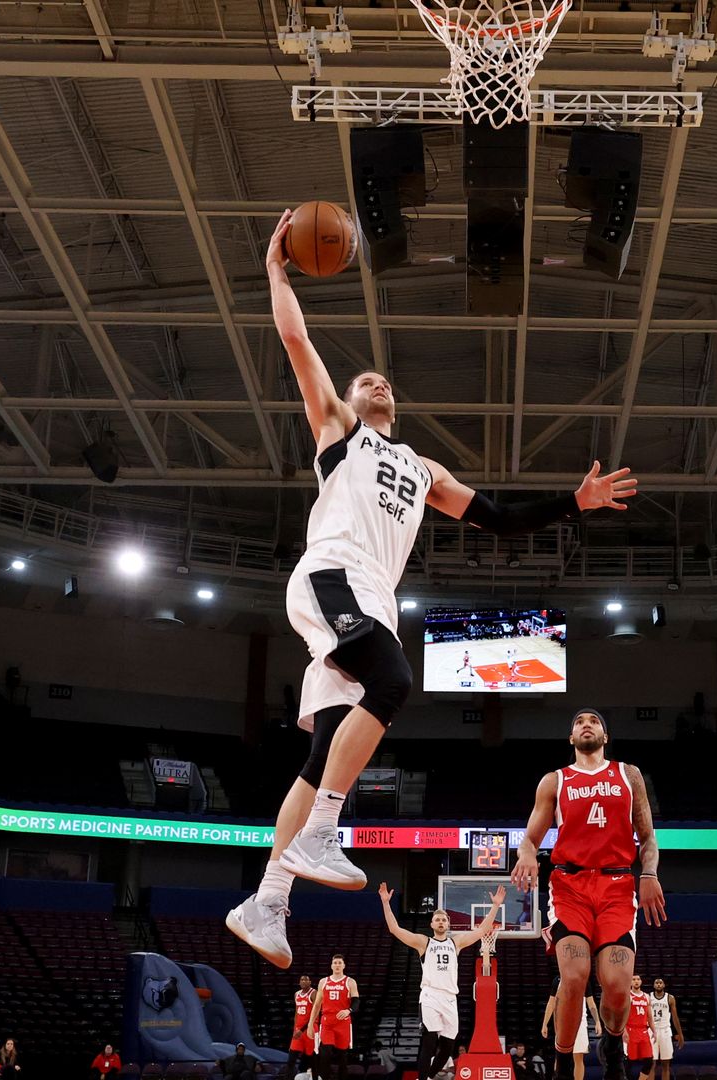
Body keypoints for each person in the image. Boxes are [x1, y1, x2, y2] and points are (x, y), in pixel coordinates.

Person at [228, 211, 639, 968]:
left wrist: (571, 505)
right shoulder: (339, 431)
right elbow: (297, 344)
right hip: (331, 574)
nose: (374, 381)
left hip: (368, 600)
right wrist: (277, 274)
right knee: (392, 680)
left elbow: (500, 520)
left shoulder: (422, 469)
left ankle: (266, 903)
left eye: (382, 380)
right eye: (363, 380)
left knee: (321, 757)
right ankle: (323, 830)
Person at [514, 708, 665, 1080]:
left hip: (616, 887)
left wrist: (649, 873)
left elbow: (647, 837)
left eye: (593, 722)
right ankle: (563, 1061)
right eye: (579, 723)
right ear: (571, 739)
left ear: (605, 736)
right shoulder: (556, 780)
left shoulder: (628, 775)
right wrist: (528, 856)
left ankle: (612, 1043)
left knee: (615, 985)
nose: (586, 725)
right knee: (576, 975)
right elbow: (530, 840)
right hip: (570, 886)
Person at [379, 882, 504, 1079]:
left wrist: (495, 906)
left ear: (448, 924)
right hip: (430, 995)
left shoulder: (456, 942)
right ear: (431, 924)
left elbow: (481, 932)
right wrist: (386, 902)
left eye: (443, 920)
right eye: (436, 920)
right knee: (429, 1042)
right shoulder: (423, 942)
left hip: (450, 998)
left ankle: (429, 1076)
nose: (440, 922)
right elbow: (395, 929)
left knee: (447, 1046)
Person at [305, 955, 360, 1080]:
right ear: (331, 966)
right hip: (327, 1021)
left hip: (343, 1022)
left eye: (340, 963)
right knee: (325, 1053)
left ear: (344, 965)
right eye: (335, 963)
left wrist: (348, 1010)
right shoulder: (323, 982)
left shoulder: (350, 982)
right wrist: (310, 1024)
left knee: (343, 1057)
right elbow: (317, 1004)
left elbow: (356, 1001)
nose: (337, 965)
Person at [541, 992, 597, 1080]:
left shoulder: (584, 981)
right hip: (563, 1023)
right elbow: (551, 1004)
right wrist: (545, 1024)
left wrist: (597, 1021)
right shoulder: (558, 981)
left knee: (578, 1057)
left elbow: (591, 1003)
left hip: (580, 1023)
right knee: (559, 1057)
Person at [647, 977, 681, 1080]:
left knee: (666, 1064)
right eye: (656, 982)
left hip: (665, 1030)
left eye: (660, 982)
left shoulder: (670, 998)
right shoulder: (648, 997)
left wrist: (680, 1033)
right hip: (652, 1031)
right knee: (651, 1064)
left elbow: (675, 1017)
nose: (658, 984)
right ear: (653, 985)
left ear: (664, 985)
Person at [624, 976, 653, 1080]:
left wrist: (654, 1031)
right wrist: (624, 1031)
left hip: (643, 1031)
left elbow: (649, 1016)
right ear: (630, 982)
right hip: (631, 1030)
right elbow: (623, 1015)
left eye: (638, 979)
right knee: (630, 1061)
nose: (636, 981)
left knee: (649, 1061)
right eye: (633, 979)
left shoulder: (646, 996)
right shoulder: (628, 996)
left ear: (641, 981)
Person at [290, 975, 317, 1080]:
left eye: (306, 979)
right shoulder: (296, 994)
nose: (303, 981)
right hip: (298, 1031)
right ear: (299, 982)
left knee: (312, 1059)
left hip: (310, 1029)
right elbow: (296, 1014)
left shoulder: (314, 993)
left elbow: (314, 1014)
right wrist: (295, 1030)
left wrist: (302, 1030)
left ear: (310, 982)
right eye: (301, 979)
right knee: (291, 1060)